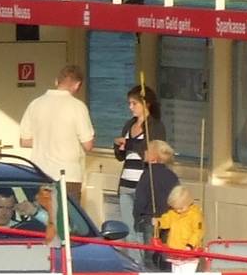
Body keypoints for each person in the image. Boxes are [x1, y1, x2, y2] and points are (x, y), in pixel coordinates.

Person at [17, 66, 96, 209]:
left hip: (39, 173)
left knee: (42, 219)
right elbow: (88, 145)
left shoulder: (35, 104)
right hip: (68, 176)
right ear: (77, 85)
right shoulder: (77, 107)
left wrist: (45, 139)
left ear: (56, 82)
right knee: (67, 223)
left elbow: (25, 141)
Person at [111, 85, 163, 234]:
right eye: (129, 103)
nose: (130, 107)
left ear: (146, 104)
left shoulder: (155, 126)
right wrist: (118, 145)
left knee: (144, 230)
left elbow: (153, 152)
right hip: (126, 184)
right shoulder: (129, 125)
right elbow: (121, 157)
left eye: (134, 103)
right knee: (129, 231)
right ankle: (133, 258)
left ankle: (143, 258)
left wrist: (129, 144)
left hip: (144, 185)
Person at [156, 184, 206, 275]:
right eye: (175, 208)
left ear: (188, 203)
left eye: (181, 208)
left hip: (189, 252)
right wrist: (158, 222)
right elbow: (166, 221)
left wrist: (190, 245)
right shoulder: (173, 214)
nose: (178, 211)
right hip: (175, 250)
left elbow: (198, 231)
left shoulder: (195, 215)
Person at [133, 141, 183, 260]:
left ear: (154, 156)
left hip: (151, 220)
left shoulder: (147, 174)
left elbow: (140, 200)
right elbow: (178, 198)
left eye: (147, 150)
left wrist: (137, 218)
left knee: (150, 258)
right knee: (166, 256)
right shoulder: (172, 176)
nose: (144, 152)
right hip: (169, 221)